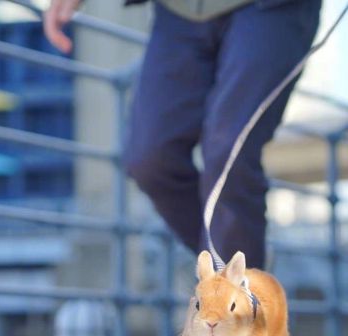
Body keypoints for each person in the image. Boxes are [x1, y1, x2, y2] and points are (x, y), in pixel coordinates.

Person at [44, 0, 321, 269]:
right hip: (178, 13)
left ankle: (238, 280)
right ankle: (239, 259)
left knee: (228, 151)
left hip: (269, 11)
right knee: (149, 159)